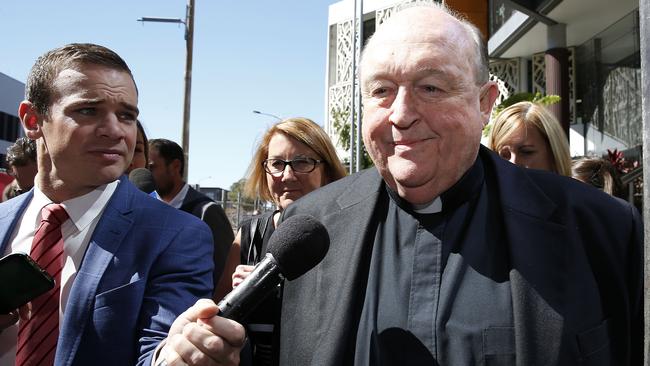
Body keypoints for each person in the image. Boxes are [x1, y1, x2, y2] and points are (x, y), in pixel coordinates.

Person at [278, 4, 642, 366]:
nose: (401, 114)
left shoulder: (600, 227)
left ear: (485, 104)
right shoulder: (310, 230)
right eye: (381, 90)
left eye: (431, 87)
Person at [0, 43, 243, 366]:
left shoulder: (177, 235)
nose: (115, 130)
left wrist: (175, 355)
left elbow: (159, 347)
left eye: (126, 115)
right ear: (33, 120)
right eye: (88, 110)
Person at [214, 117, 347, 366]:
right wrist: (241, 295)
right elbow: (214, 320)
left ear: (326, 170)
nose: (287, 175)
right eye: (276, 163)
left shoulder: (348, 230)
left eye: (302, 162)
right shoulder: (249, 235)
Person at [148, 138, 234, 283]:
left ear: (175, 166)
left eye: (151, 168)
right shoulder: (146, 209)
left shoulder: (206, 212)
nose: (146, 175)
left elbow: (224, 274)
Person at [488, 101, 572, 176]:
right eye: (504, 155)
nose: (513, 163)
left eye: (526, 152)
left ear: (554, 154)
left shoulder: (580, 192)